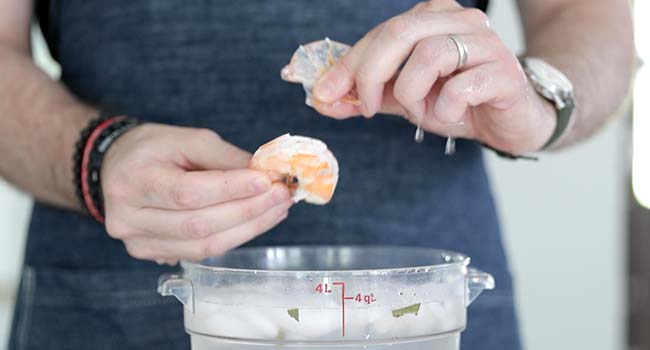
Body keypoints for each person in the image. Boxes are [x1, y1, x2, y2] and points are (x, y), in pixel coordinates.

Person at [0, 0, 633, 349]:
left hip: (426, 313)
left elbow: (592, 19)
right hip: (111, 311)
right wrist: (95, 154)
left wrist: (539, 98)